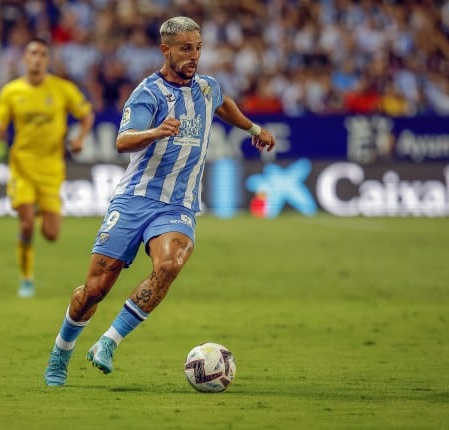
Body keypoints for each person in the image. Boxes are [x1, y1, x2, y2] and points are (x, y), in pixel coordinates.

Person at [43, 16, 275, 386]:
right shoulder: (148, 93)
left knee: (168, 265)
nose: (194, 56)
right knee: (96, 290)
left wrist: (253, 128)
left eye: (198, 48)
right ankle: (61, 353)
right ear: (165, 50)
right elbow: (123, 140)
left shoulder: (207, 89)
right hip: (134, 199)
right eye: (186, 48)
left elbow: (224, 103)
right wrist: (157, 131)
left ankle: (108, 341)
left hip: (178, 205)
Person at [0, 37, 95, 298]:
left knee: (51, 233)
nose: (37, 58)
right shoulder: (11, 91)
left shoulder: (62, 89)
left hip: (51, 168)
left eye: (42, 54)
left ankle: (36, 209)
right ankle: (26, 279)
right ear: (25, 58)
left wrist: (80, 138)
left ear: (48, 60)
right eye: (32, 53)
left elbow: (86, 114)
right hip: (22, 165)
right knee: (26, 226)